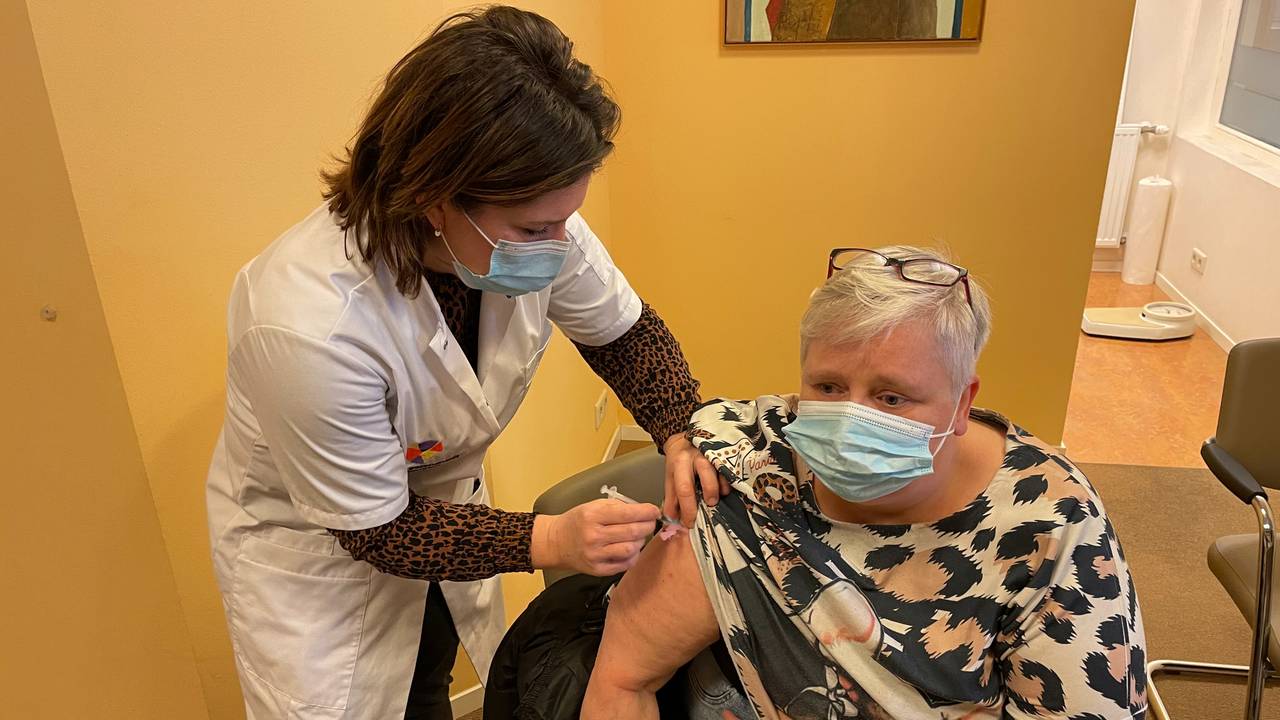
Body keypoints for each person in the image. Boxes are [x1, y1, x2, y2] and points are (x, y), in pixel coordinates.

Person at [204, 7, 722, 719]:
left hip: (442, 525)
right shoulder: (305, 325)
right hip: (323, 571)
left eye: (566, 219)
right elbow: (377, 530)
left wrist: (679, 428)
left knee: (429, 685)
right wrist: (552, 538)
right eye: (536, 229)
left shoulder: (524, 227)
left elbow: (624, 336)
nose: (561, 244)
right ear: (432, 198)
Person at [582, 247, 1148, 719]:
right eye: (827, 387)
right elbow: (624, 677)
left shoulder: (1048, 524)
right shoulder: (744, 472)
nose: (852, 418)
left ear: (961, 404)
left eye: (892, 397)